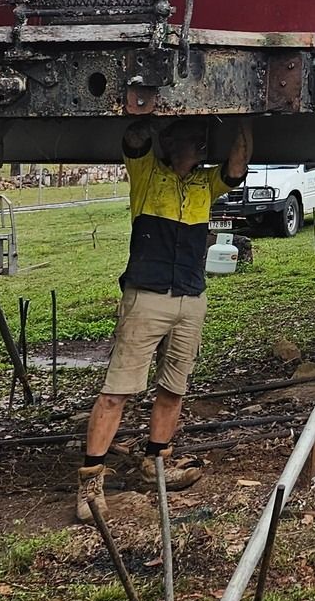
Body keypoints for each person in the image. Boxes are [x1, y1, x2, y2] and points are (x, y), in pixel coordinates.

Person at [77, 116, 253, 523]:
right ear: (168, 142)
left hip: (190, 298)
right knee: (117, 390)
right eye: (181, 138)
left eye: (194, 139)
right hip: (146, 297)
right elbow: (135, 136)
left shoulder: (205, 184)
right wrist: (153, 110)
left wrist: (244, 119)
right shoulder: (145, 172)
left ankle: (156, 463)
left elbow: (238, 165)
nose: (188, 145)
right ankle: (90, 483)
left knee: (174, 387)